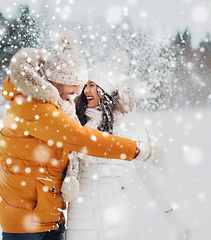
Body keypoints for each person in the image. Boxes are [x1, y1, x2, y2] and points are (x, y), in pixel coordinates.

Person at [0, 33, 151, 240]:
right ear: (57, 80)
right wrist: (136, 149)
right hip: (27, 223)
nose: (78, 90)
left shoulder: (54, 105)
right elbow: (80, 138)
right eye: (73, 83)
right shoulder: (35, 106)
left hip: (44, 215)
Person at [63, 69, 191, 240]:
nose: (86, 91)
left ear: (105, 90)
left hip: (117, 220)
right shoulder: (76, 124)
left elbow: (149, 175)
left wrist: (173, 216)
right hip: (80, 222)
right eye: (85, 85)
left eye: (92, 85)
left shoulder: (127, 128)